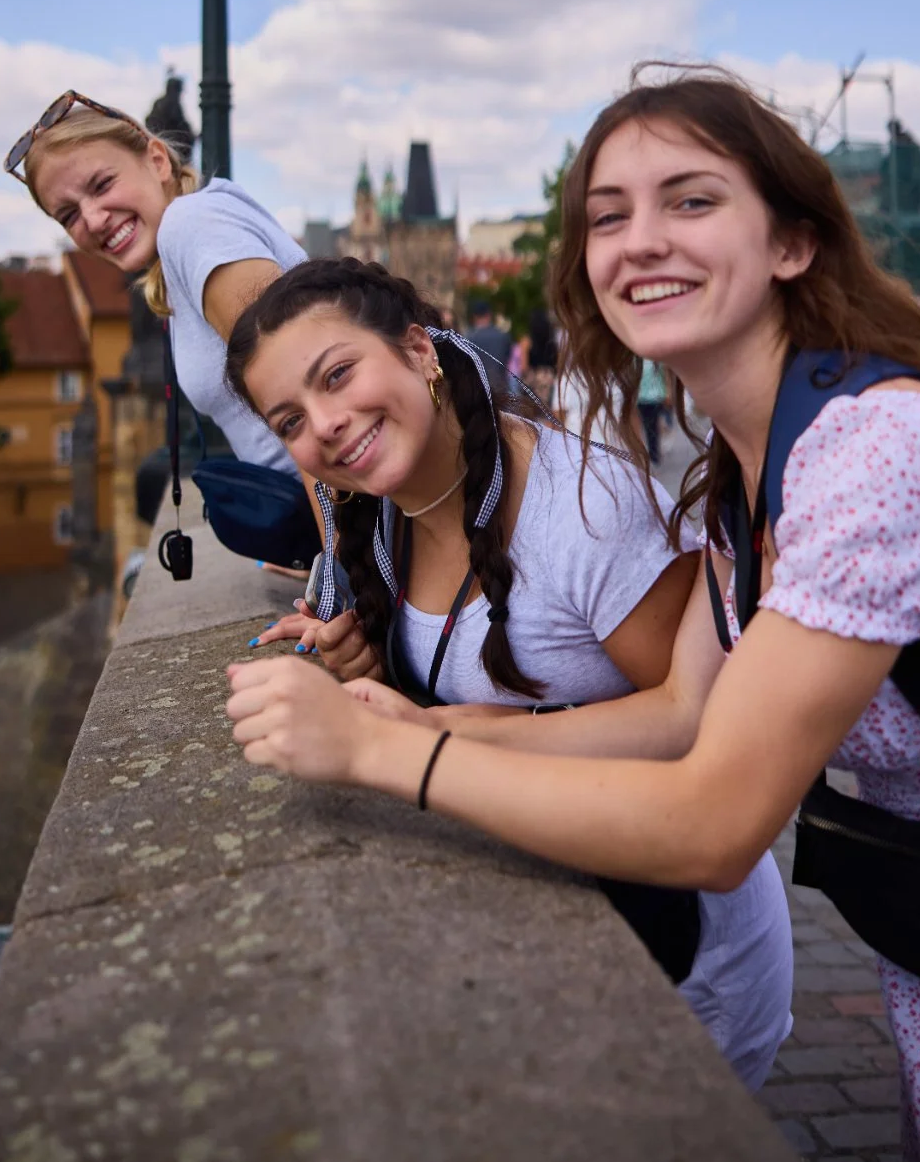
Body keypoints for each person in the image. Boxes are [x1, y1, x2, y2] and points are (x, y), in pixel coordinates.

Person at [225, 68, 920, 1159]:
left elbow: (717, 821)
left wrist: (378, 758)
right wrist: (423, 721)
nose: (637, 240)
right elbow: (683, 715)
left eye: (690, 199)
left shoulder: (874, 451)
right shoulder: (740, 473)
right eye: (605, 216)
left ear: (791, 240)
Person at [225, 256, 794, 1090]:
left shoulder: (581, 508)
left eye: (337, 374)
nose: (327, 423)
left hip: (677, 954)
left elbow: (696, 723)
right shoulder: (391, 505)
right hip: (553, 903)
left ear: (419, 349)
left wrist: (425, 731)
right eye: (290, 419)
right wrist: (367, 656)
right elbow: (470, 666)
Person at [4, 89, 318, 562]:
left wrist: (341, 560)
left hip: (362, 514)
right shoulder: (183, 243)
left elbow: (310, 397)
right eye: (68, 214)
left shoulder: (190, 226)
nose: (92, 219)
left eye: (101, 184)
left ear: (157, 159)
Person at [636, 359, 669, 466]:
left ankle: (654, 453)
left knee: (652, 426)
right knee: (646, 426)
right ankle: (651, 452)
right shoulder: (637, 361)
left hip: (655, 398)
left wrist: (667, 393)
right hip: (641, 399)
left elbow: (664, 378)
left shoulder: (655, 360)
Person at [463, 299, 512, 371]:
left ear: (474, 316)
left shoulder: (468, 338)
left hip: (477, 380)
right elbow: (507, 358)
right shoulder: (503, 337)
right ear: (489, 315)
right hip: (498, 380)